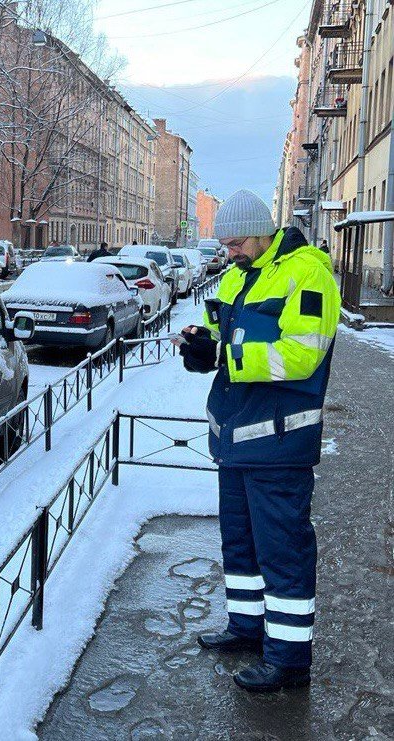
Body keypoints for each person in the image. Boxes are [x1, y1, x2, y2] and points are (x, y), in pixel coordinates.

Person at [175, 189, 340, 693]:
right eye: (225, 245)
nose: (230, 253)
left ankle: (289, 660)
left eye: (237, 242)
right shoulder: (234, 276)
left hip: (278, 440)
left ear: (264, 232)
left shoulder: (308, 272)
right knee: (241, 543)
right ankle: (247, 629)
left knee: (282, 550)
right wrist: (198, 346)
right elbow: (213, 331)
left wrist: (223, 356)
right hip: (234, 436)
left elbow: (302, 354)